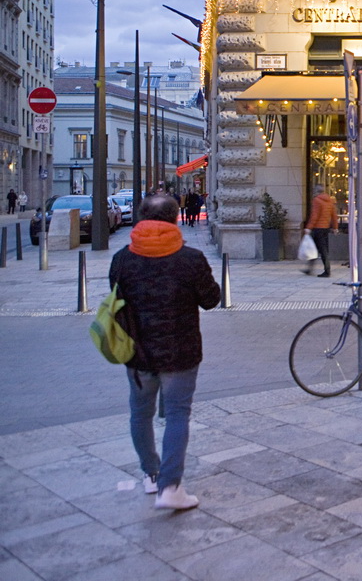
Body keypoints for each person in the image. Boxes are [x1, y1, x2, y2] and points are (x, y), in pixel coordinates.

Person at [109, 194, 221, 510]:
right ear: (175, 219)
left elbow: (115, 299)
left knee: (140, 413)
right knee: (177, 414)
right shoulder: (191, 259)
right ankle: (171, 486)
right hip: (180, 351)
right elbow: (211, 299)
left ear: (141, 218)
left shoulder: (122, 259)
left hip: (137, 352)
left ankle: (151, 474)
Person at [303, 185, 337, 277]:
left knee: (316, 249)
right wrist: (335, 227)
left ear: (316, 191)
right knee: (321, 249)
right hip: (325, 228)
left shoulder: (316, 200)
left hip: (317, 228)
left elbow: (314, 216)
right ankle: (310, 269)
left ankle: (327, 270)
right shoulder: (330, 200)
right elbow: (334, 215)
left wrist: (308, 228)